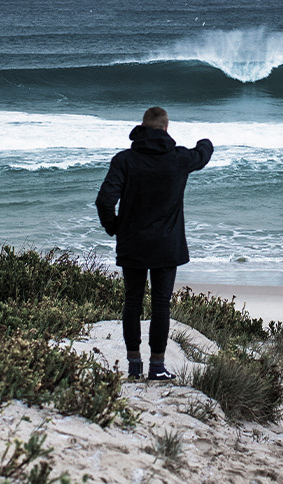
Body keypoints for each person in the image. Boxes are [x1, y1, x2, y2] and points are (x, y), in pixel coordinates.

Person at [95, 107, 213, 381]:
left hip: (133, 244)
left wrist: (114, 228)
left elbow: (104, 200)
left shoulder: (124, 160)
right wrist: (206, 141)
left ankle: (134, 366)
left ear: (142, 127)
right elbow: (203, 154)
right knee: (161, 305)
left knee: (132, 302)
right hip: (166, 245)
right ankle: (157, 367)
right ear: (166, 128)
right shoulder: (179, 159)